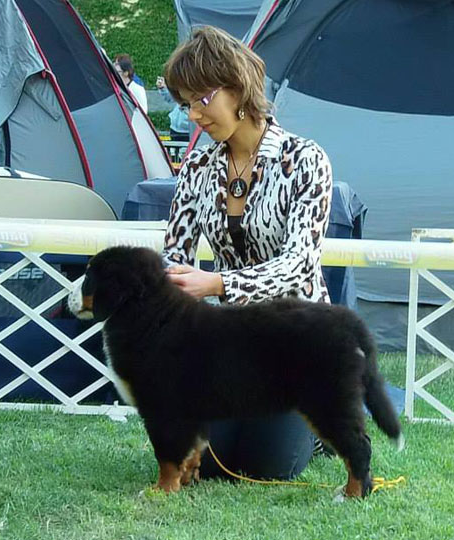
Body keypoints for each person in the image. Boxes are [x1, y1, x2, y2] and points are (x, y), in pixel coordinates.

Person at [160, 26, 334, 481]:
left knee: (267, 466)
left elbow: (298, 264)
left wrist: (218, 284)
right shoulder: (196, 166)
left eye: (202, 99)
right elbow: (174, 253)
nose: (193, 114)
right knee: (209, 465)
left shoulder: (306, 160)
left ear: (238, 88)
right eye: (186, 103)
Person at [156, 76, 190, 142]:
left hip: (188, 130)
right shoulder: (181, 81)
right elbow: (171, 98)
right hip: (174, 128)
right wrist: (163, 88)